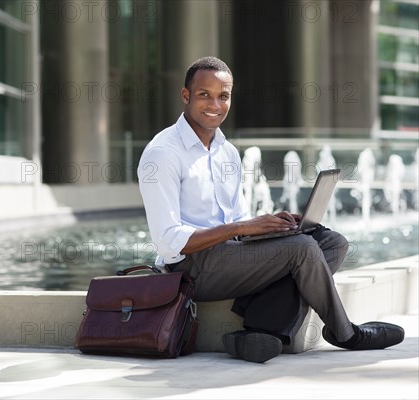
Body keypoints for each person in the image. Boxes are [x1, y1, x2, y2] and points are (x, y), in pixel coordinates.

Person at [136, 56, 404, 363]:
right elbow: (168, 243)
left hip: (229, 255)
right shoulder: (163, 153)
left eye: (223, 96)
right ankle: (344, 332)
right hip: (189, 269)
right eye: (204, 95)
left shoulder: (226, 152)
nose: (215, 104)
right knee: (302, 249)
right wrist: (241, 229)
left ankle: (264, 330)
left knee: (330, 242)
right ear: (186, 96)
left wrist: (268, 225)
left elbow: (236, 219)